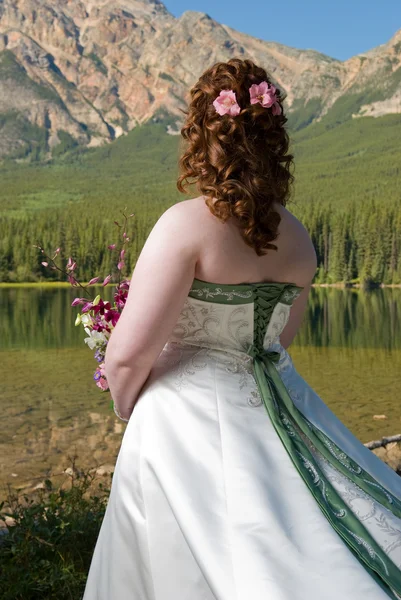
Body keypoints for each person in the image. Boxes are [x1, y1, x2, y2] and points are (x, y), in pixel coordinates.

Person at [82, 58, 401, 600]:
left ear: (202, 136)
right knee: (304, 527)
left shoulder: (184, 225)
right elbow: (278, 341)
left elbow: (128, 357)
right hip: (278, 398)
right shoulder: (300, 241)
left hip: (182, 418)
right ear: (272, 141)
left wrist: (128, 406)